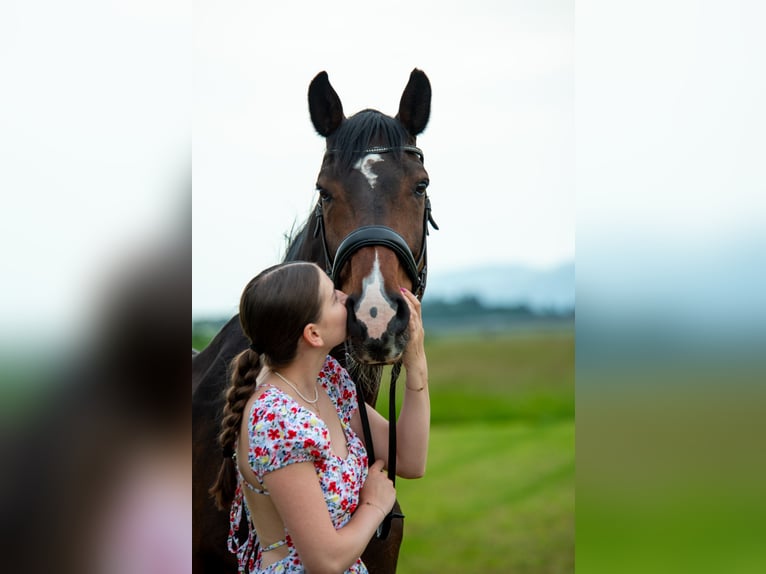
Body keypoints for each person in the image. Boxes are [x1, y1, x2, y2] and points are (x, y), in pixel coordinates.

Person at [209, 261, 430, 573]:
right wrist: (374, 504)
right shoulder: (276, 418)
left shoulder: (325, 380)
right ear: (312, 333)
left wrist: (416, 362)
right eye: (332, 298)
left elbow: (408, 459)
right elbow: (324, 561)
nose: (346, 296)